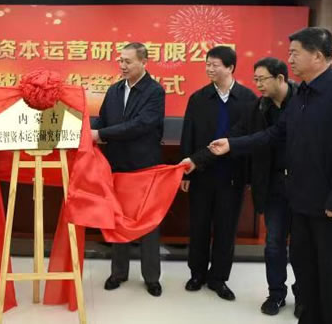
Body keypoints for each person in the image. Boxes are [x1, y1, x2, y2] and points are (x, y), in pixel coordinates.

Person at [209, 27, 332, 324]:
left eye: (295, 53)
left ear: (318, 56)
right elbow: (276, 133)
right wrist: (233, 144)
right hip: (302, 201)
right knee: (306, 272)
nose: (290, 59)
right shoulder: (303, 94)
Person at [183, 57, 299, 316]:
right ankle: (276, 294)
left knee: (301, 246)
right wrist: (195, 160)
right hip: (272, 184)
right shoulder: (258, 106)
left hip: (303, 185)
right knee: (274, 243)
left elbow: (267, 136)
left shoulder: (302, 102)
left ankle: (302, 296)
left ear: (280, 78)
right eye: (256, 79)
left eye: (262, 79)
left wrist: (232, 147)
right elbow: (234, 135)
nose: (258, 85)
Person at [178, 45, 256, 301]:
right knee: (198, 226)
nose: (209, 69)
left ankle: (219, 278)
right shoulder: (198, 98)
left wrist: (249, 176)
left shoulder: (248, 99)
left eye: (215, 65)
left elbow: (251, 140)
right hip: (201, 174)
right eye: (207, 64)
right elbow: (188, 137)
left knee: (226, 229)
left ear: (230, 67)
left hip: (232, 175)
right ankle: (197, 274)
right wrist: (185, 173)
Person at [92, 42, 165, 297]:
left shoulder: (155, 91)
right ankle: (118, 272)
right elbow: (102, 120)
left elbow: (141, 125)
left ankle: (151, 277)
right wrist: (85, 129)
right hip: (116, 166)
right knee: (117, 220)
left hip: (144, 167)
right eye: (120, 60)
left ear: (143, 62)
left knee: (149, 223)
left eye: (128, 61)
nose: (122, 65)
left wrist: (100, 134)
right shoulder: (114, 90)